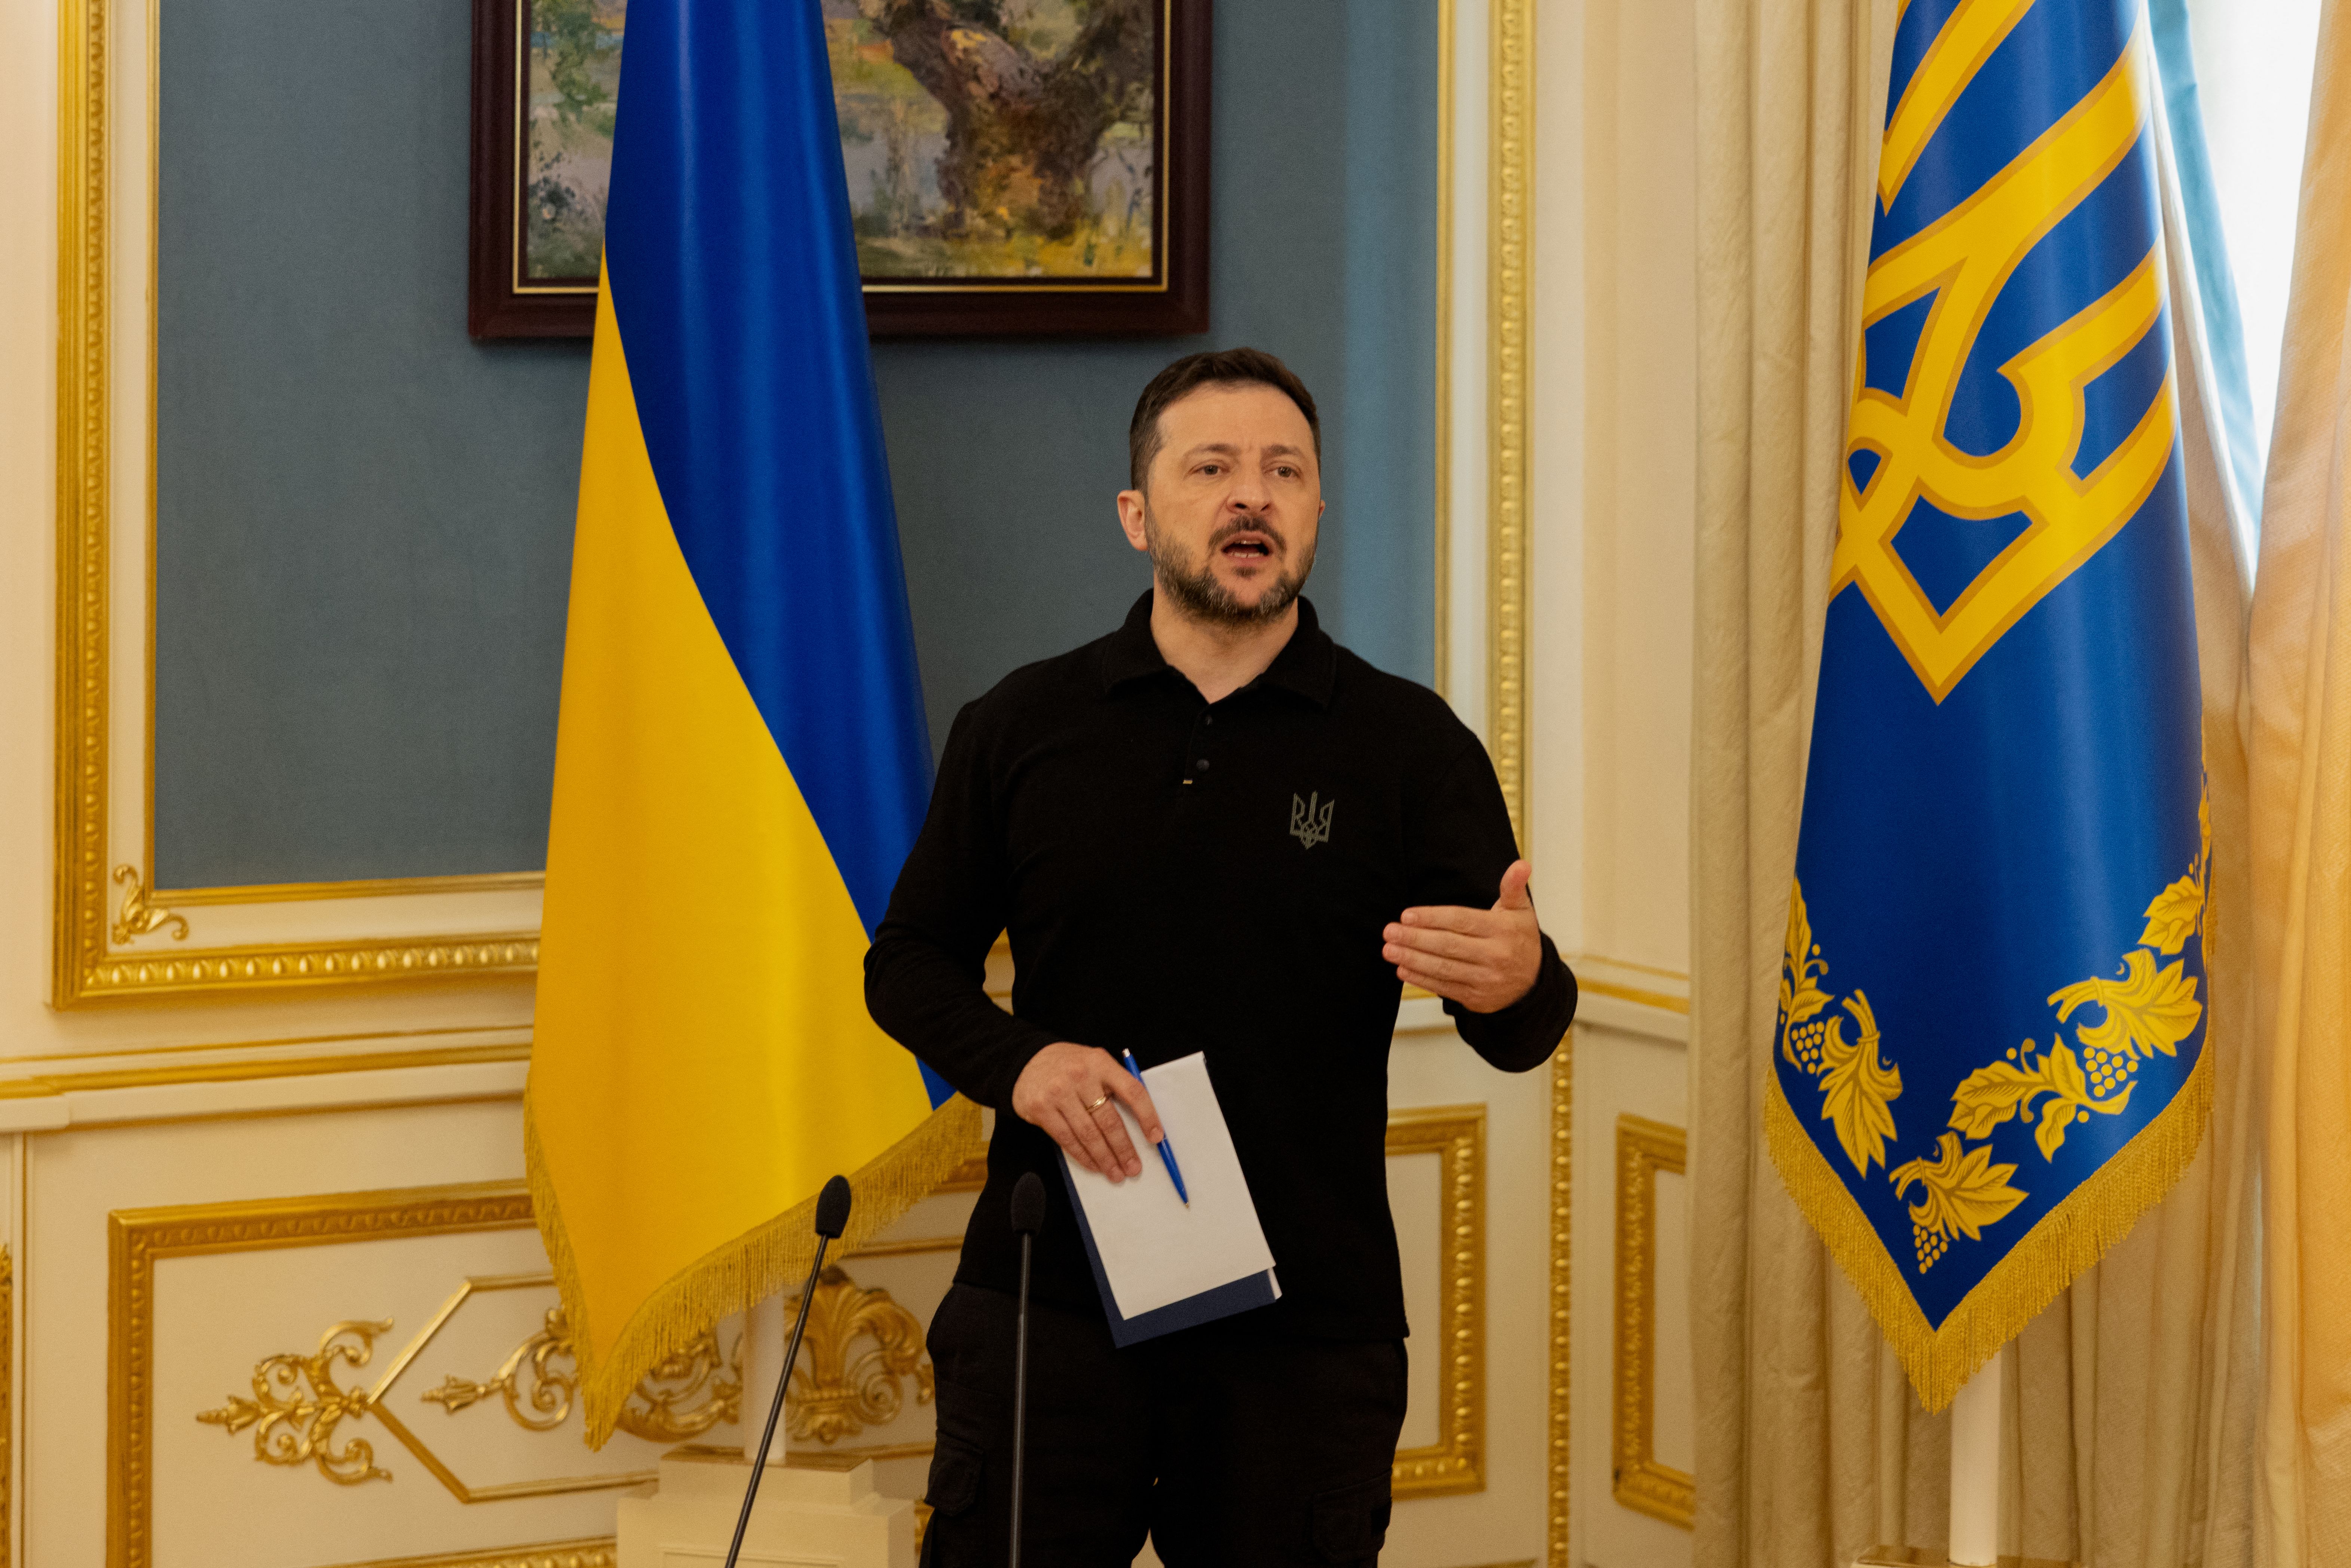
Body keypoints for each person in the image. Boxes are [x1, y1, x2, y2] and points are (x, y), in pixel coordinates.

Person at [865, 347, 1577, 1566]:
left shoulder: (1411, 747)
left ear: (1312, 515)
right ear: (1139, 514)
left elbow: (1518, 1025)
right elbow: (909, 962)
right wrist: (1022, 1064)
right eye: (1214, 469)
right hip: (1050, 1306)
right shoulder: (1024, 726)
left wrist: (1526, 981)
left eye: (1284, 472)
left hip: (1303, 1329)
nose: (1252, 496)